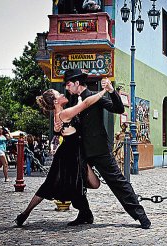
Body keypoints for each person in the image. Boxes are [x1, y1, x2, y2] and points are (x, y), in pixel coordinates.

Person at [62, 68, 151, 229]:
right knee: (75, 180)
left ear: (76, 83)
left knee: (117, 181)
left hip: (99, 148)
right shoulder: (71, 100)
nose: (66, 88)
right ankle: (84, 214)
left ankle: (140, 215)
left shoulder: (95, 96)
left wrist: (111, 91)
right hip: (80, 149)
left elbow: (118, 109)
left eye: (68, 84)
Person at [14, 86, 105, 227]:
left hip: (74, 154)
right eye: (59, 94)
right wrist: (104, 92)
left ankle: (84, 213)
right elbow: (86, 104)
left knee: (87, 184)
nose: (63, 94)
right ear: (56, 101)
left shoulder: (60, 115)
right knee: (53, 186)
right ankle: (25, 213)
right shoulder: (64, 114)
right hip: (68, 156)